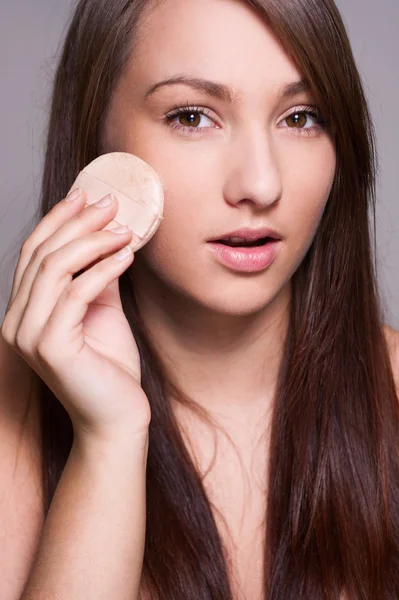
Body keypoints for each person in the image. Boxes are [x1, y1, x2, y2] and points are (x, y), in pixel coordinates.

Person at [1, 0, 398, 598]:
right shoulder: (13, 414)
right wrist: (108, 441)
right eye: (192, 116)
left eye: (301, 117)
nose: (261, 184)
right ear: (98, 142)